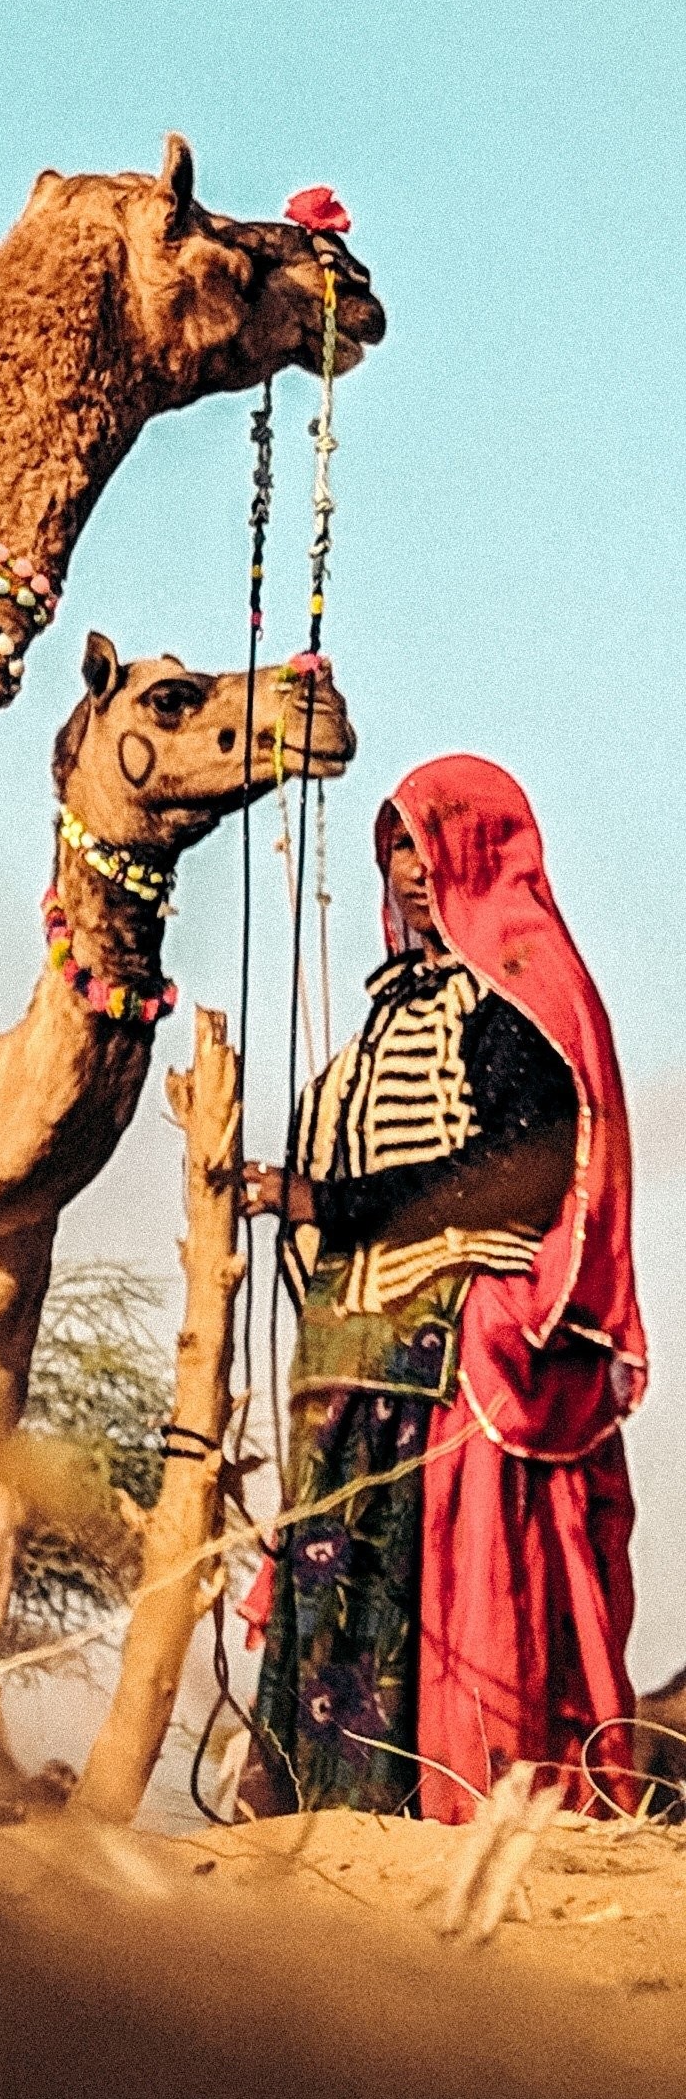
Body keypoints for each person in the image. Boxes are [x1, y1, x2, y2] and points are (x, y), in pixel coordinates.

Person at [245, 755, 644, 1819]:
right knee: (338, 1573)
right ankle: (318, 1803)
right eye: (397, 849)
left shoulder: (522, 998)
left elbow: (517, 1177)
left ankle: (461, 1797)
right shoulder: (377, 1021)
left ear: (477, 852)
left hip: (465, 1354)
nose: (411, 871)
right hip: (357, 1354)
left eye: (429, 844)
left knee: (455, 1585)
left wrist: (327, 1200)